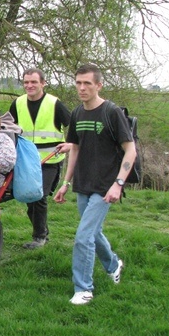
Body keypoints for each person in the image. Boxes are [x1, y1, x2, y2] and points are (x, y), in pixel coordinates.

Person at [54, 63, 136, 305]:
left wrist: (118, 184)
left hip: (105, 185)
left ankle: (84, 289)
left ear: (98, 85)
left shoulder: (111, 112)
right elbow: (75, 149)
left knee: (83, 236)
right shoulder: (78, 113)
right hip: (83, 183)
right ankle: (113, 264)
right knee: (93, 232)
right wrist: (65, 183)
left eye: (87, 83)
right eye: (78, 83)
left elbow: (131, 150)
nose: (81, 88)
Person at [9, 68, 71, 249]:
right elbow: (8, 127)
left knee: (39, 196)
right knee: (30, 198)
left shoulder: (55, 104)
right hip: (26, 161)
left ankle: (39, 238)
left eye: (34, 82)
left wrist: (71, 144)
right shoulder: (18, 103)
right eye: (26, 82)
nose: (29, 86)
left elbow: (72, 126)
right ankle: (43, 231)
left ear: (43, 83)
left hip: (50, 160)